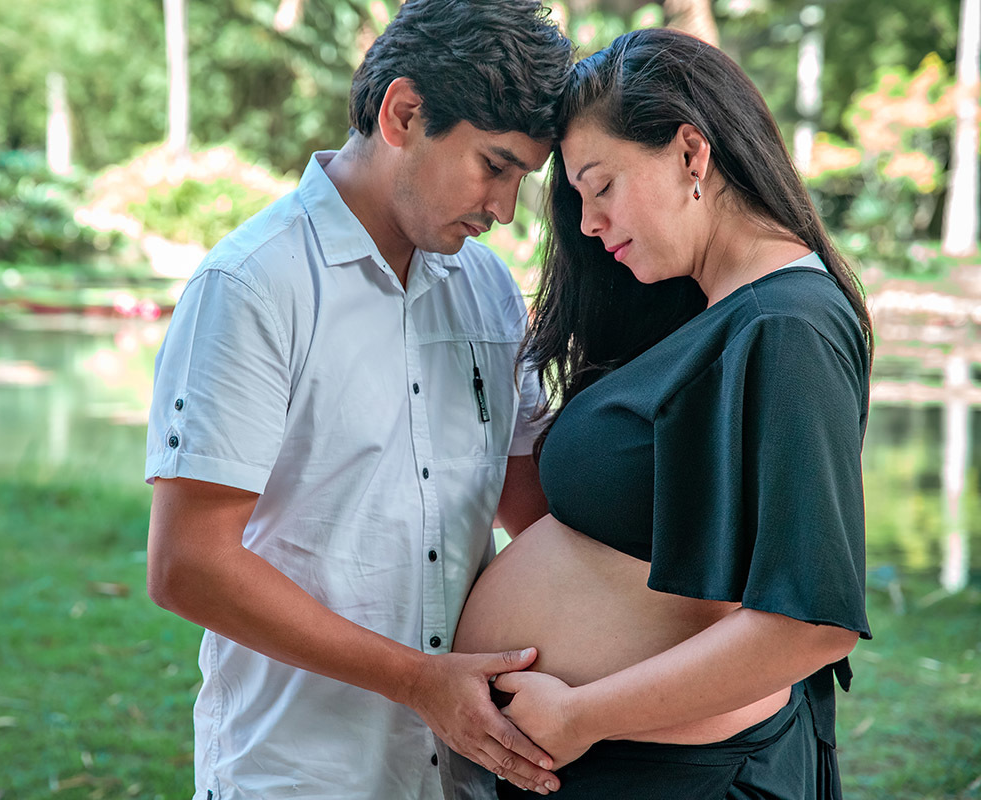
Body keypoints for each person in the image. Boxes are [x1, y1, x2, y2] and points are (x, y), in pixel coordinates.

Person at [143, 2, 574, 798]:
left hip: (470, 775)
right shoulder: (250, 286)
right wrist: (419, 682)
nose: (506, 209)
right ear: (403, 113)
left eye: (521, 178)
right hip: (300, 774)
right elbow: (186, 564)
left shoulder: (488, 290)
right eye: (494, 165)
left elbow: (533, 510)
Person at [450, 28, 873, 799]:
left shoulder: (788, 326)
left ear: (690, 153)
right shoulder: (714, 313)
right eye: (577, 198)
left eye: (601, 185)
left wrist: (582, 713)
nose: (586, 222)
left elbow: (814, 622)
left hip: (690, 776)